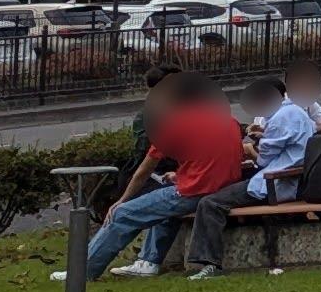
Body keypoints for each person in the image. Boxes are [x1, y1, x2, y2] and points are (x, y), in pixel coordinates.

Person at [83, 71, 250, 280]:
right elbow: (215, 158)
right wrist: (181, 175)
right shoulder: (229, 121)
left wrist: (121, 201)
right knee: (162, 203)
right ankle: (149, 261)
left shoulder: (175, 124)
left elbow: (145, 169)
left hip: (194, 192)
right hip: (225, 189)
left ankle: (83, 272)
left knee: (122, 214)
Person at [185, 63, 320, 279]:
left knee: (210, 203)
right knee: (224, 190)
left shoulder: (280, 118)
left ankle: (209, 263)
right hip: (291, 179)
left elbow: (264, 161)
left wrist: (250, 148)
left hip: (273, 184)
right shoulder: (297, 113)